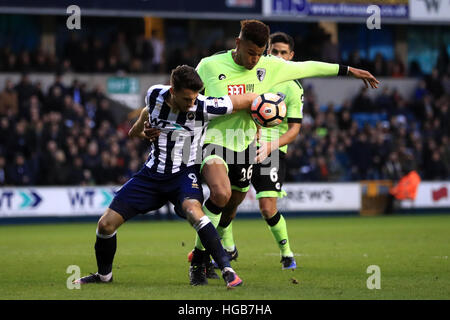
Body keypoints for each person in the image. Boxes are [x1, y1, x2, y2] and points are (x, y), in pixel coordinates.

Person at [148, 20, 378, 283]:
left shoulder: (270, 66)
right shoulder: (210, 66)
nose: (254, 60)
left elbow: (310, 66)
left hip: (246, 143)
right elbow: (183, 99)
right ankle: (200, 261)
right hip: (213, 140)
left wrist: (350, 71)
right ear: (238, 43)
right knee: (220, 194)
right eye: (250, 53)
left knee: (232, 205)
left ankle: (212, 249)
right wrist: (157, 124)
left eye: (259, 54)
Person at [73, 65, 260, 288]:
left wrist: (264, 111)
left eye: (195, 97)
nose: (192, 103)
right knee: (105, 225)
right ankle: (104, 276)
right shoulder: (154, 94)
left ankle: (227, 269)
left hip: (183, 174)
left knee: (194, 211)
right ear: (172, 90)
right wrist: (144, 131)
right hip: (151, 176)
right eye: (187, 98)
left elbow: (247, 99)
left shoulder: (205, 105)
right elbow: (142, 120)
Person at [216, 32, 303, 270]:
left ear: (291, 56)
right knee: (228, 200)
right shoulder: (253, 74)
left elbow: (295, 129)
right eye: (274, 51)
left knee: (267, 208)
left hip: (272, 151)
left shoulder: (293, 87)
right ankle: (228, 247)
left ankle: (286, 253)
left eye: (283, 52)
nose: (278, 56)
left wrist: (271, 145)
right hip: (241, 142)